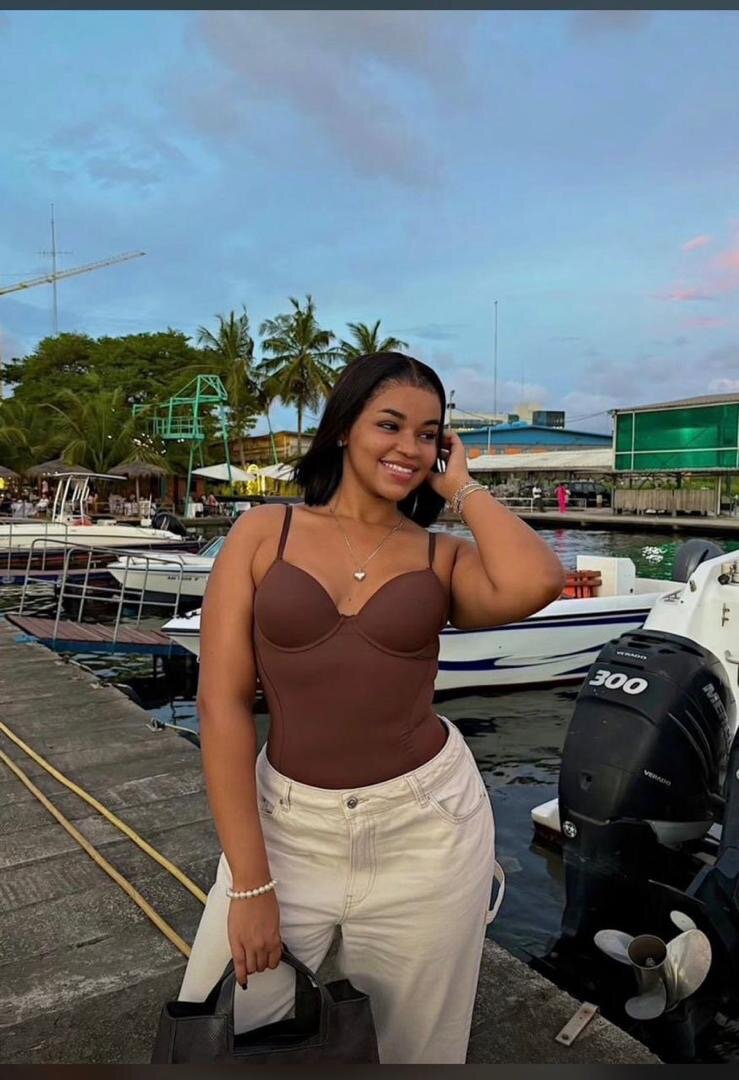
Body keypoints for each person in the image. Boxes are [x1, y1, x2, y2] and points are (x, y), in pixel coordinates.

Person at [178, 353, 565, 1064]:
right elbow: (221, 704)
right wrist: (251, 884)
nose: (409, 448)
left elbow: (539, 579)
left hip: (425, 829)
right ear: (342, 430)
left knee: (412, 1047)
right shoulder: (266, 532)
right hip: (287, 827)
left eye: (428, 434)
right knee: (232, 1033)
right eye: (389, 425)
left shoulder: (439, 557)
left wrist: (463, 488)